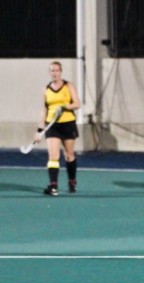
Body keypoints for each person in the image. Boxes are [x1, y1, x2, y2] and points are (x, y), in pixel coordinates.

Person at [34, 61, 81, 196]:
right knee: (53, 155)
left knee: (69, 155)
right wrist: (39, 130)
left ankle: (72, 181)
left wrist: (64, 107)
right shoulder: (46, 89)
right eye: (52, 70)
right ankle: (53, 186)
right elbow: (44, 109)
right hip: (52, 125)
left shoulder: (68, 86)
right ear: (49, 73)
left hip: (67, 124)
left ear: (60, 72)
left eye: (56, 70)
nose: (54, 73)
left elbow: (77, 104)